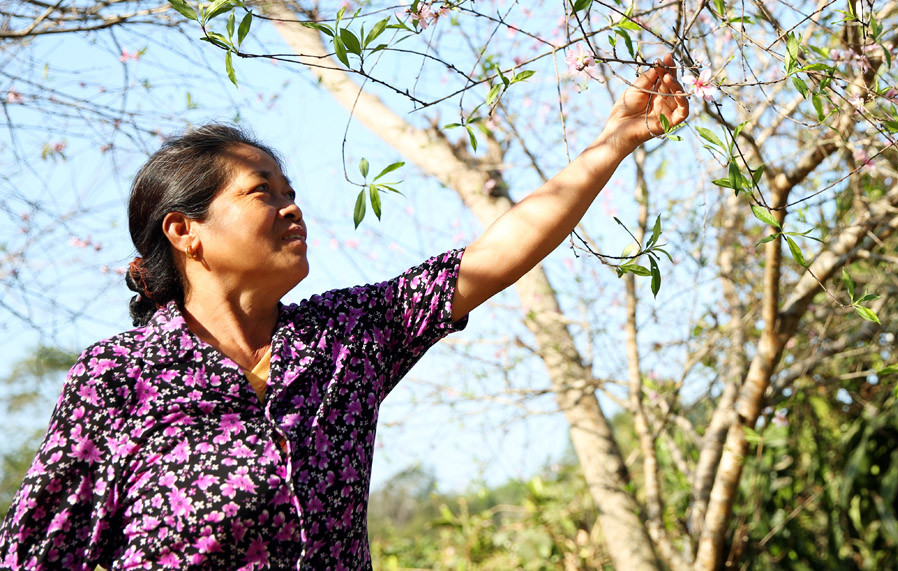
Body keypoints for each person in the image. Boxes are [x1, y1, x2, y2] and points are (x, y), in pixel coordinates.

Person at [0, 57, 689, 570]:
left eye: (291, 190)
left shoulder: (343, 340)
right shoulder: (119, 377)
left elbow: (493, 256)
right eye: (262, 192)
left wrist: (617, 138)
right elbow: (37, 552)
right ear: (186, 231)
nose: (292, 206)